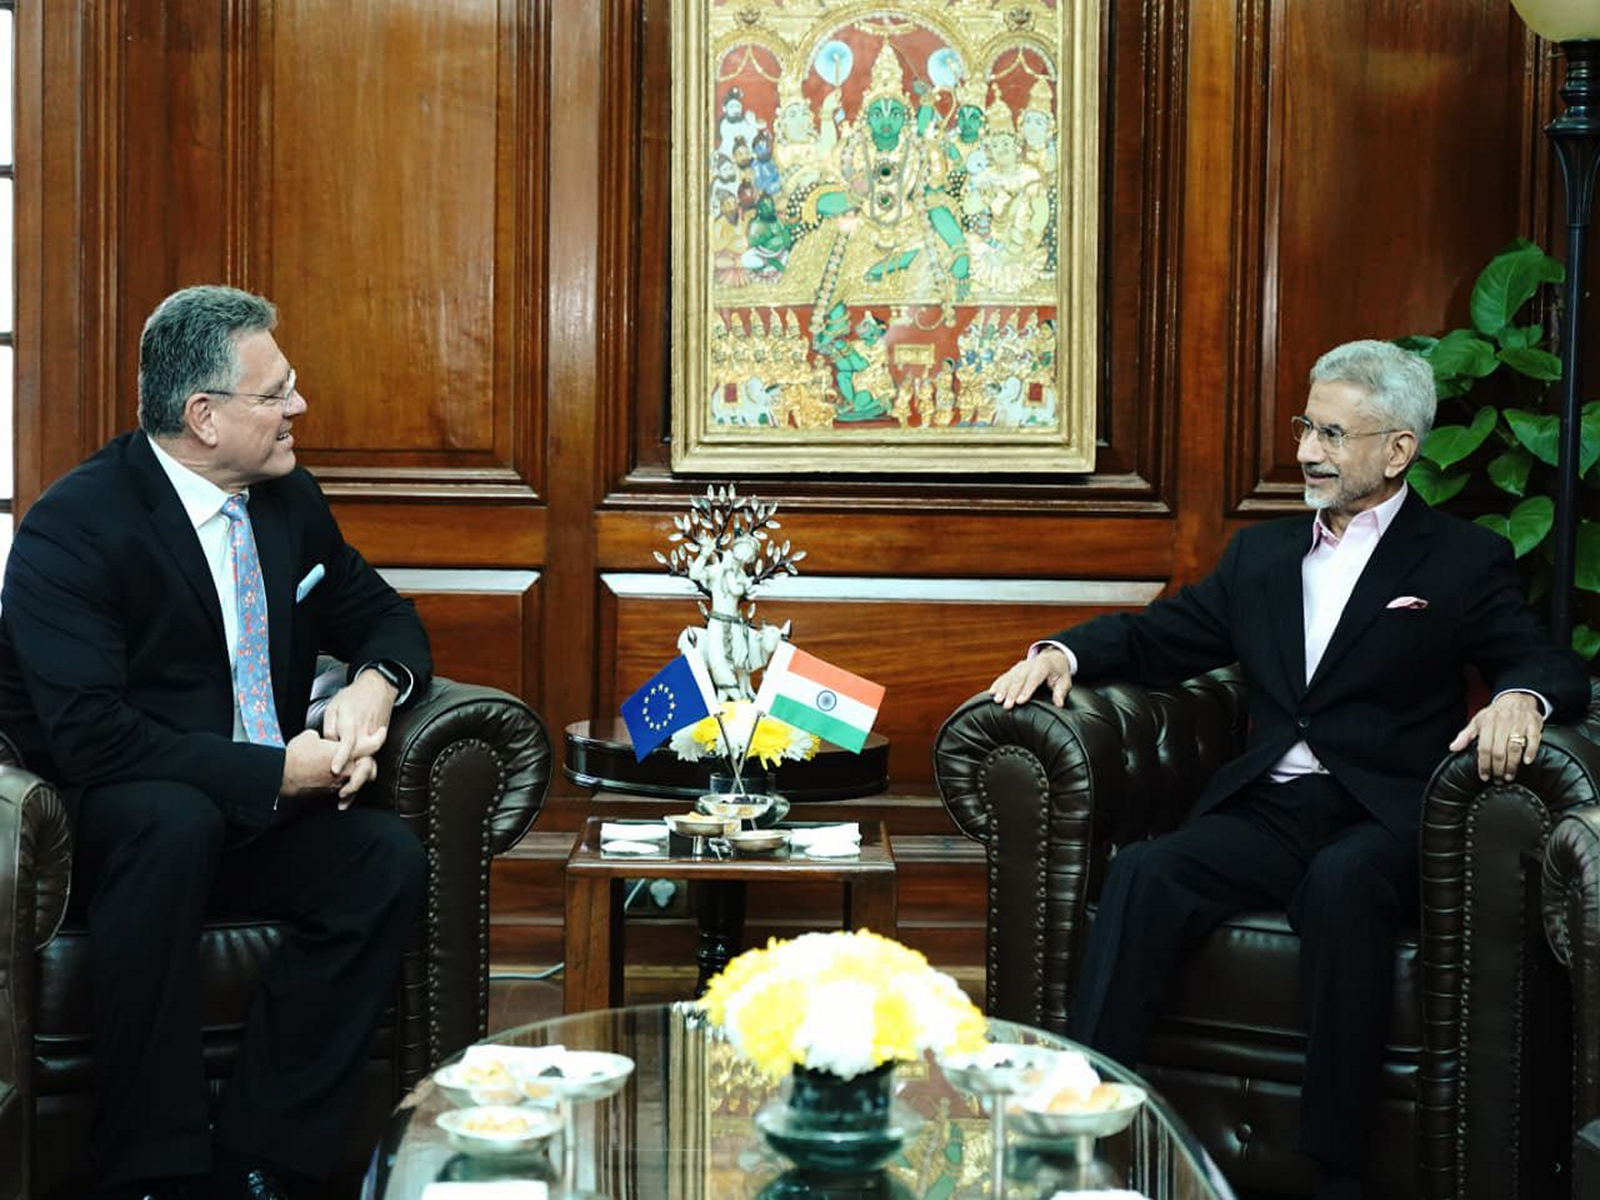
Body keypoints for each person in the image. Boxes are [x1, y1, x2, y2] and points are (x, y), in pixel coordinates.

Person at [988, 339, 1589, 1200]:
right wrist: (1062, 653)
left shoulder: (1459, 559)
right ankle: (1083, 1129)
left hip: (1383, 817)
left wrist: (1521, 698)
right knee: (1150, 872)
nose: (1307, 450)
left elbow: (1545, 659)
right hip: (1271, 806)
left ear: (1397, 451)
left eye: (1334, 435)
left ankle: (1332, 1169)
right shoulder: (1263, 557)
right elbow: (1162, 636)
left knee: (1343, 885)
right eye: (1308, 427)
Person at [0, 285, 434, 1200]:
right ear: (203, 416)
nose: (298, 410)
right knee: (171, 820)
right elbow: (91, 739)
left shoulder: (286, 500)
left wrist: (372, 685)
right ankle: (150, 1171)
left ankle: (262, 1161)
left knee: (381, 857)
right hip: (117, 822)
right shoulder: (74, 529)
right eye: (275, 393)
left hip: (250, 814)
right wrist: (280, 768)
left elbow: (381, 613)